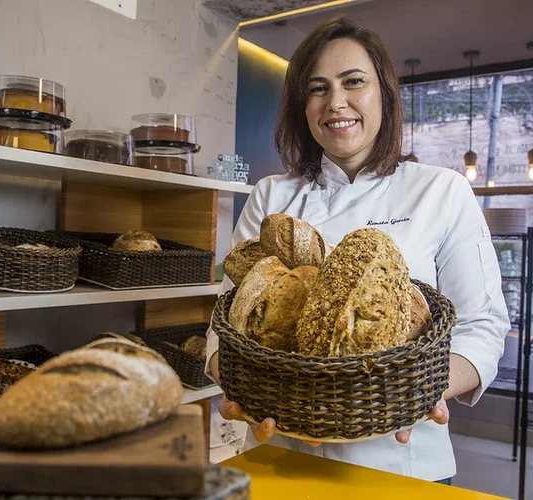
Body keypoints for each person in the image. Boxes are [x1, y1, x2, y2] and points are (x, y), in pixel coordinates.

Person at [205, 17, 510, 483]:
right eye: (317, 88)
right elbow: (227, 321)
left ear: (384, 94)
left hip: (402, 463)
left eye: (353, 82)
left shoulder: (441, 191)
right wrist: (238, 386)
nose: (336, 103)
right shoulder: (271, 197)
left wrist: (413, 392)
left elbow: (483, 325)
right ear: (302, 106)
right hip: (280, 449)